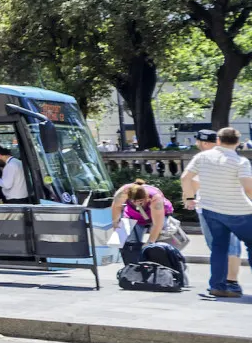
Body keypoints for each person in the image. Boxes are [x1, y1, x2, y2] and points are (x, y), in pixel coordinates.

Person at [180, 127, 252, 299]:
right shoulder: (240, 162)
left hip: (211, 210)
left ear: (218, 140)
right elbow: (248, 188)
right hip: (239, 211)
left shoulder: (202, 157)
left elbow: (185, 178)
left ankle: (217, 286)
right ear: (238, 143)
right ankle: (229, 283)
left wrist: (189, 198)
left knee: (219, 247)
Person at [108, 177, 172, 249]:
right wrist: (115, 222)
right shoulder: (124, 192)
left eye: (140, 201)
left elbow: (157, 224)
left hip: (157, 217)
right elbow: (116, 206)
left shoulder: (156, 198)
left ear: (147, 198)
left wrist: (149, 243)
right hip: (133, 215)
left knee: (152, 241)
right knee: (118, 240)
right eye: (133, 201)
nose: (137, 203)